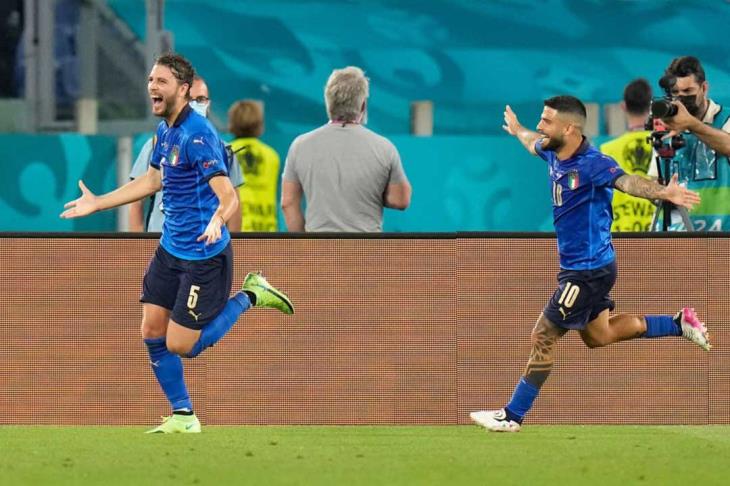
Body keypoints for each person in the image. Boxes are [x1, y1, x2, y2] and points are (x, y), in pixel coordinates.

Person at [61, 53, 294, 434]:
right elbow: (152, 181)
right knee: (152, 331)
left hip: (204, 256)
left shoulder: (198, 136)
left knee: (183, 345)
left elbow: (229, 196)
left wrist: (218, 219)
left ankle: (251, 294)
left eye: (161, 81)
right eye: (151, 80)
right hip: (170, 250)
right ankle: (184, 415)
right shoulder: (165, 131)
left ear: (183, 90)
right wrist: (99, 202)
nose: (152, 87)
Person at [470, 96, 709, 433]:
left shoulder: (594, 163)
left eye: (547, 121)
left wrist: (663, 193)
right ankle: (677, 323)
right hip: (586, 266)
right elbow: (530, 141)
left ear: (569, 129)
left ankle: (512, 415)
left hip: (588, 271)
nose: (540, 126)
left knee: (544, 334)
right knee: (599, 335)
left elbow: (628, 182)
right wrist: (517, 128)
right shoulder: (553, 150)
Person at [281, 66, 411, 232]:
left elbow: (288, 203)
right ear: (363, 105)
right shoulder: (384, 148)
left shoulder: (300, 145)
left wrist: (305, 243)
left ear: (328, 103)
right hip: (366, 247)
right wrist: (373, 192)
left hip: (318, 247)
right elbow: (400, 200)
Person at [129, 75, 244, 232]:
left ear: (208, 104)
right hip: (160, 240)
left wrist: (233, 242)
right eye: (189, 99)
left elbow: (234, 205)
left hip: (207, 243)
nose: (195, 105)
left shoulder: (225, 151)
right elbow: (136, 201)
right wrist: (138, 242)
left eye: (201, 99)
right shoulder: (153, 146)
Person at [649, 56, 730, 231]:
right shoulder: (665, 126)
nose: (681, 98)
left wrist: (691, 124)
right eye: (675, 92)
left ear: (704, 88)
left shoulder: (726, 119)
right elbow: (654, 180)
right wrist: (661, 193)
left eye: (688, 91)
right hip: (675, 236)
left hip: (721, 235)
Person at [600, 78, 655, 232]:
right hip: (657, 232)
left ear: (623, 106)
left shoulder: (606, 150)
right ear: (651, 107)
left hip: (618, 234)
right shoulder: (664, 146)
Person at [228, 100, 280, 232]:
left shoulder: (225, 153)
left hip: (237, 231)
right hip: (267, 230)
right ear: (259, 124)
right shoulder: (272, 155)